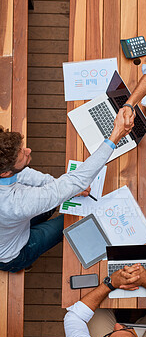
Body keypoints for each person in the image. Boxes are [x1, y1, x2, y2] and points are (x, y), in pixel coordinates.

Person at [0, 109, 131, 272]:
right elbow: (77, 180)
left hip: (11, 225)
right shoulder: (15, 203)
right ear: (5, 173)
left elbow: (25, 174)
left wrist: (62, 188)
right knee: (74, 221)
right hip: (14, 252)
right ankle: (21, 265)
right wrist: (115, 136)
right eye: (22, 155)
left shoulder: (5, 171)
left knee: (55, 204)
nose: (28, 151)